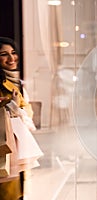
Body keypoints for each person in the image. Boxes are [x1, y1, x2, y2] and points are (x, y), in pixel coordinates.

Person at [0, 37, 36, 200]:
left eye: (13, 53)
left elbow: (27, 112)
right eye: (4, 54)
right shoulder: (4, 84)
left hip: (19, 146)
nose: (11, 58)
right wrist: (13, 107)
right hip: (6, 148)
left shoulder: (17, 82)